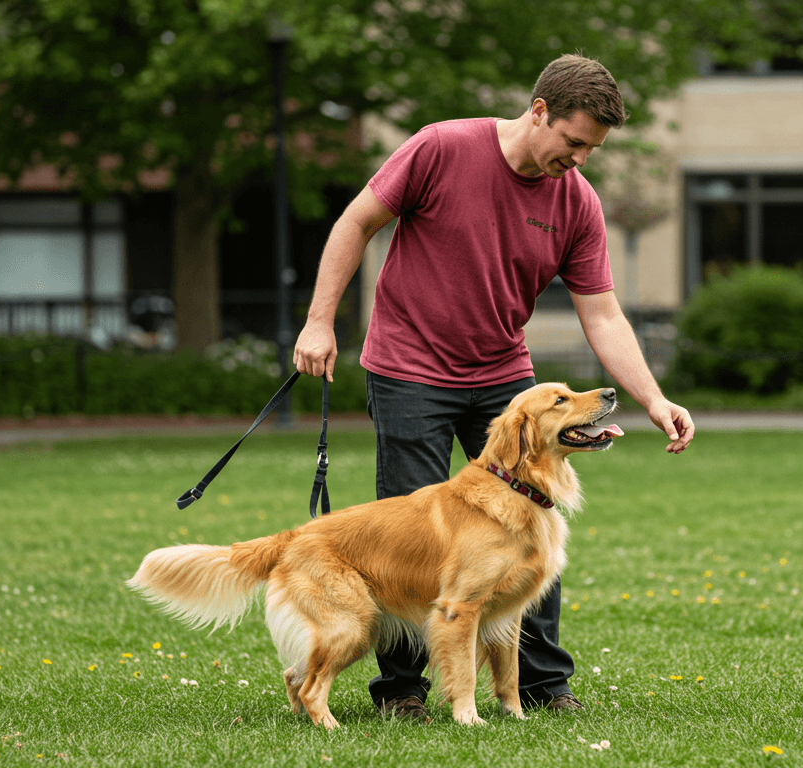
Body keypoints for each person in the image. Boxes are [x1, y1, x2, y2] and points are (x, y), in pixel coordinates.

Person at [292, 54, 695, 721]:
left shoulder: (576, 202)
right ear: (539, 112)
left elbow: (602, 314)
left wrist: (653, 399)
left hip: (503, 372)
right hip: (410, 367)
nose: (580, 159)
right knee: (409, 536)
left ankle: (542, 686)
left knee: (534, 524)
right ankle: (402, 692)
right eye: (573, 142)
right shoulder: (440, 148)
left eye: (592, 149)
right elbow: (353, 224)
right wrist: (318, 321)